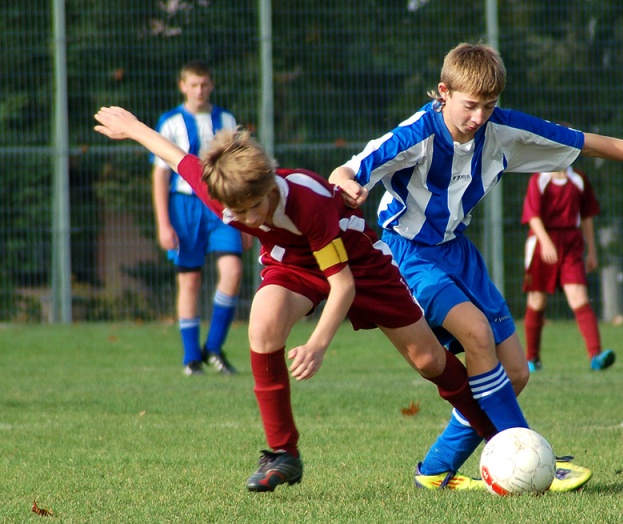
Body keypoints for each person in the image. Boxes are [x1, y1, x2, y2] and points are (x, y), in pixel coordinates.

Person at [329, 42, 623, 492]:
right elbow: (345, 171)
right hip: (409, 254)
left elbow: (587, 143)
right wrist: (348, 187)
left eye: (489, 106)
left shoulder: (501, 130)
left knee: (515, 373)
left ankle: (434, 470)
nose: (479, 117)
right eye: (470, 105)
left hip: (458, 253)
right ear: (443, 93)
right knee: (476, 333)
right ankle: (530, 458)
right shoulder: (416, 135)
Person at [94, 105, 501, 493]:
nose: (249, 219)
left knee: (428, 360)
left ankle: (498, 437)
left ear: (270, 184)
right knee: (263, 325)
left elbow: (342, 285)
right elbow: (178, 159)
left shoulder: (307, 201)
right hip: (292, 262)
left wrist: (317, 344)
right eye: (239, 212)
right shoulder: (226, 191)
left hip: (358, 263)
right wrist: (132, 128)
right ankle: (282, 453)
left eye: (255, 207)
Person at [151, 60, 249, 376]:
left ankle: (215, 348)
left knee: (233, 270)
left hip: (221, 205)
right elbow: (160, 175)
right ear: (183, 86)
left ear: (212, 85)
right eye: (193, 84)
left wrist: (247, 220)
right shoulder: (170, 122)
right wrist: (164, 223)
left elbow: (239, 172)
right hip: (184, 206)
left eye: (204, 84)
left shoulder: (226, 120)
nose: (199, 90)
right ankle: (192, 357)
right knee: (189, 280)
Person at [521, 164, 615, 373]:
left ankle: (596, 356)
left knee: (579, 296)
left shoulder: (579, 179)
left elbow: (587, 217)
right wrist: (545, 241)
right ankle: (532, 359)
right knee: (537, 300)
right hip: (542, 244)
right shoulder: (539, 180)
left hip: (571, 244)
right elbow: (532, 216)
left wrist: (592, 251)